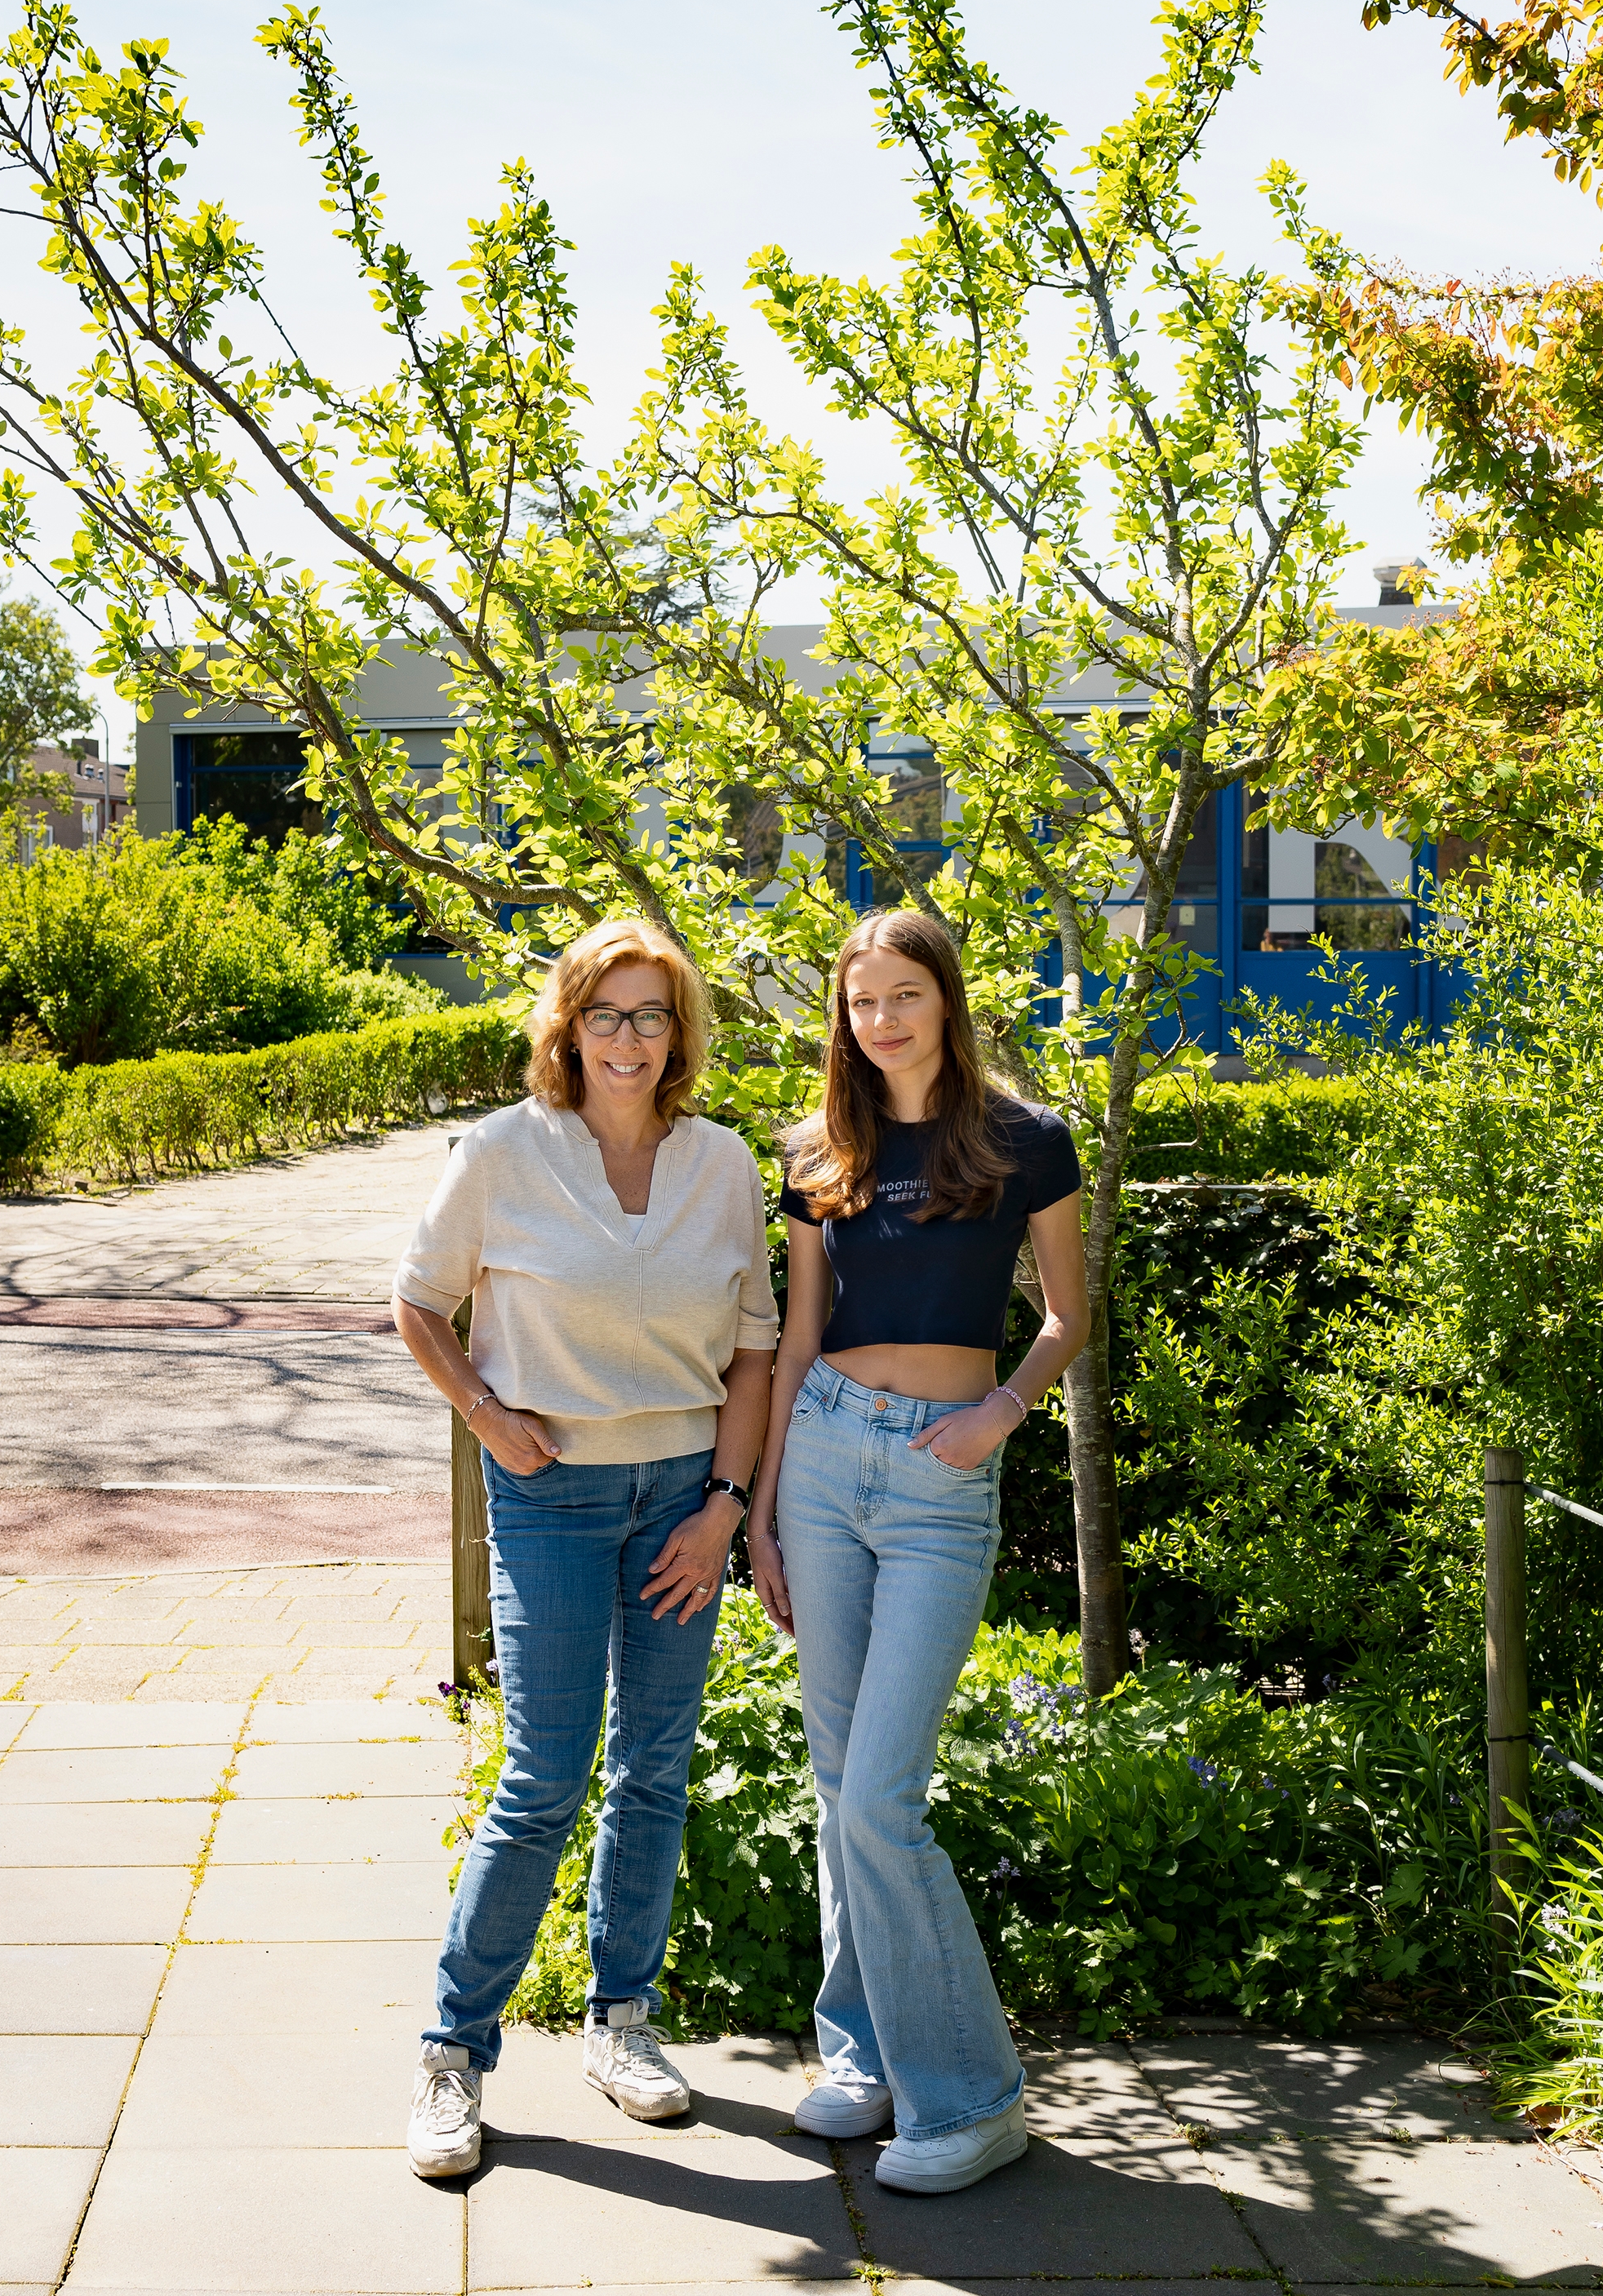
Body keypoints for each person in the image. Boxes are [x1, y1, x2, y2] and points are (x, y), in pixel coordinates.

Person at [393, 917, 777, 2182]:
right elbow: (418, 1302)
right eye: (606, 1014)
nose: (628, 1038)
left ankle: (623, 2024)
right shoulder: (502, 1152)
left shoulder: (721, 1163)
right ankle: (453, 2052)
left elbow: (754, 1349)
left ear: (679, 1033)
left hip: (681, 1500)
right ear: (568, 1027)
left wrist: (723, 1505)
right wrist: (485, 1414)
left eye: (651, 1015)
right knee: (543, 1779)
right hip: (550, 1494)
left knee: (654, 1768)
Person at [751, 908, 1089, 2195]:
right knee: (839, 1780)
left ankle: (972, 2101)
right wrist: (764, 1514)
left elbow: (1065, 1315)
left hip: (944, 1472)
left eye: (903, 994)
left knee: (880, 1794)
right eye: (860, 1000)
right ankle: (865, 2058)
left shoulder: (1020, 1139)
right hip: (824, 1458)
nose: (880, 1019)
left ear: (944, 999)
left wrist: (1002, 1412)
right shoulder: (816, 1150)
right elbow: (794, 1341)